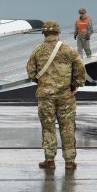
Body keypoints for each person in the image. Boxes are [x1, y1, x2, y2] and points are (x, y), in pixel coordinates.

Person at [27, 21, 86, 169]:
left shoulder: (37, 50)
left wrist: (43, 83)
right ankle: (69, 161)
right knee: (67, 127)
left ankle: (49, 160)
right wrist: (75, 84)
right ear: (58, 33)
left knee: (48, 127)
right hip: (65, 96)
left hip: (45, 97)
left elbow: (31, 72)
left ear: (44, 34)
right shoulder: (68, 50)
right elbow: (80, 67)